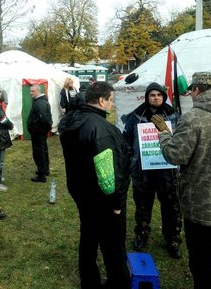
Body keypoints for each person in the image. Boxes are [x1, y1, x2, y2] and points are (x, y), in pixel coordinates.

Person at [152, 72, 211, 289]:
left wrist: (164, 134)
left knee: (204, 263)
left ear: (197, 90)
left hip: (202, 206)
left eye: (191, 91)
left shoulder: (194, 118)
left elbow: (175, 155)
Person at [59, 81, 131, 289]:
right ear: (101, 100)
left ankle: (89, 281)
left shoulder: (71, 122)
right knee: (114, 248)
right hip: (103, 201)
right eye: (111, 100)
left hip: (83, 195)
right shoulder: (102, 130)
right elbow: (108, 175)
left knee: (88, 239)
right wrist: (117, 203)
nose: (112, 104)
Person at [122, 82, 183, 258]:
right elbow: (126, 140)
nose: (156, 98)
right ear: (147, 97)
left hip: (167, 169)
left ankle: (172, 238)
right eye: (152, 95)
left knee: (171, 206)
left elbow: (182, 139)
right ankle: (141, 233)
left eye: (159, 95)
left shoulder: (173, 116)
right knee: (142, 205)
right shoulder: (136, 116)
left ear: (164, 97)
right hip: (143, 170)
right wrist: (132, 159)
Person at [27, 84, 53, 183]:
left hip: (38, 132)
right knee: (43, 150)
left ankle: (42, 175)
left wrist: (42, 129)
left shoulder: (40, 103)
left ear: (38, 90)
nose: (30, 93)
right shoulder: (40, 101)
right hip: (40, 131)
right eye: (30, 91)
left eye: (32, 91)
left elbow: (45, 119)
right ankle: (45, 170)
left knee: (39, 152)